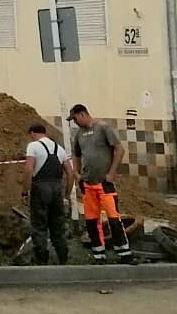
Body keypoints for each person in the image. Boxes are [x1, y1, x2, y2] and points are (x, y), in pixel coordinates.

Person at [68, 104, 135, 264]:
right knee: (92, 221)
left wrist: (111, 173)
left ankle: (124, 253)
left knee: (113, 219)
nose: (74, 122)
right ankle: (99, 255)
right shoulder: (79, 135)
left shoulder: (103, 128)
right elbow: (76, 155)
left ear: (82, 114)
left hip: (104, 184)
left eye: (75, 118)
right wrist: (77, 174)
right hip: (88, 185)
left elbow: (119, 149)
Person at [22, 123, 76, 265]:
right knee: (58, 227)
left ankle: (42, 262)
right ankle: (63, 260)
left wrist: (25, 191)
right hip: (57, 190)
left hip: (40, 188)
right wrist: (67, 194)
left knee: (39, 226)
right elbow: (70, 173)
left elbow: (28, 169)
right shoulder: (60, 149)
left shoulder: (33, 146)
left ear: (33, 133)